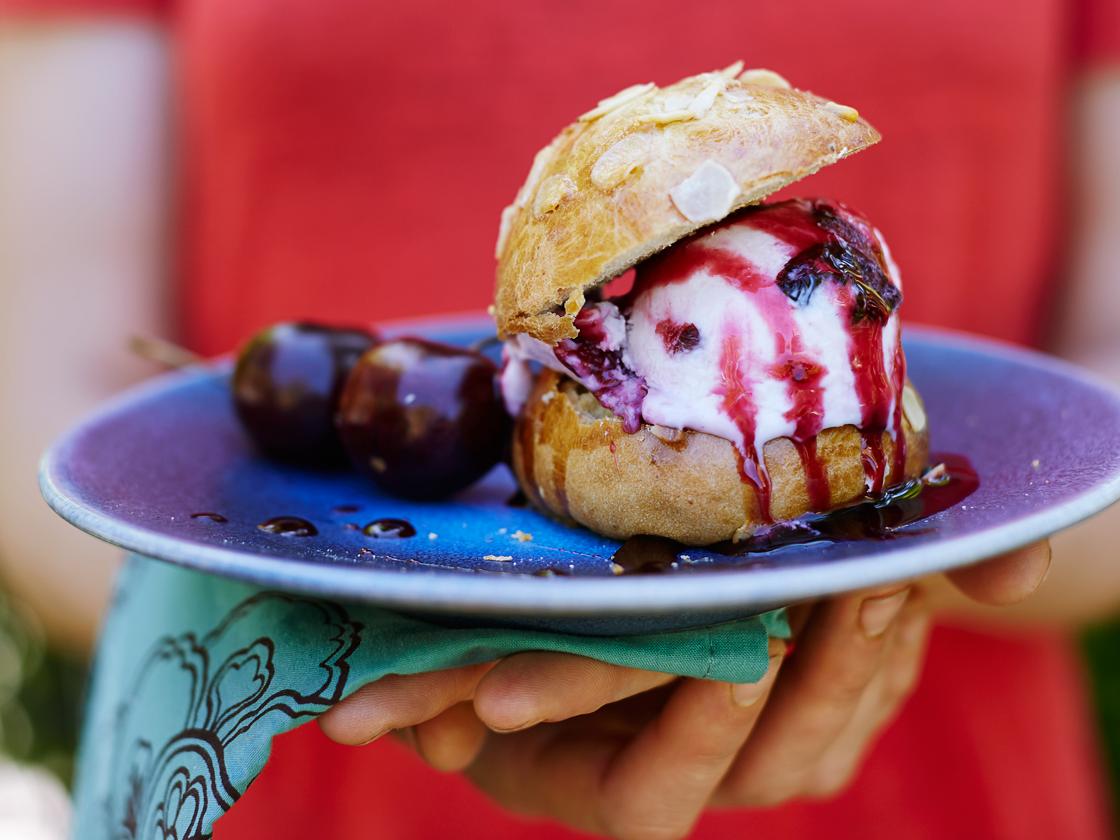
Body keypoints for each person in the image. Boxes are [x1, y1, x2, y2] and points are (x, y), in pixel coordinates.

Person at [1, 2, 1118, 838]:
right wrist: (379, 632)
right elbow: (45, 423)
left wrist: (891, 585)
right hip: (298, 767)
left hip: (943, 788)